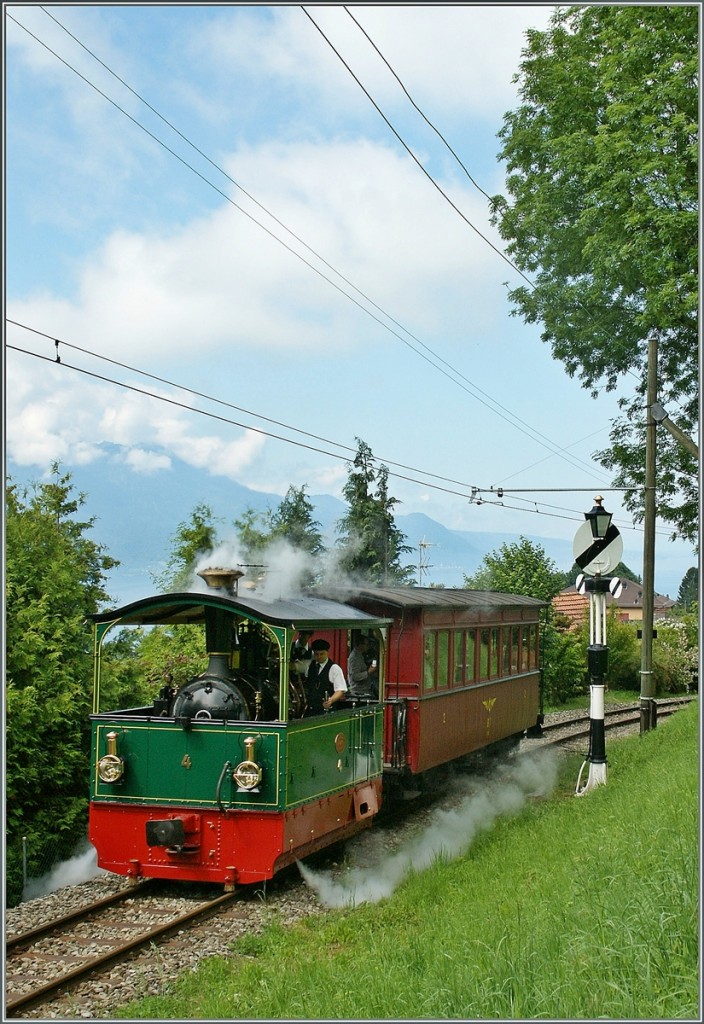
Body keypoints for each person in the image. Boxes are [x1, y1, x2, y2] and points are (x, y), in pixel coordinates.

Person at [305, 638, 347, 714]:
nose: (319, 656)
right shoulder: (310, 666)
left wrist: (331, 700)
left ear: (327, 653)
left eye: (322, 654)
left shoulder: (334, 668)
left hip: (327, 711)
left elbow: (340, 690)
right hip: (311, 709)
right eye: (316, 654)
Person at [347, 634, 378, 700]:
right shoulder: (355, 658)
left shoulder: (360, 656)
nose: (368, 647)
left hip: (364, 691)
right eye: (367, 645)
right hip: (359, 694)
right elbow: (355, 676)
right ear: (360, 645)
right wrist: (368, 672)